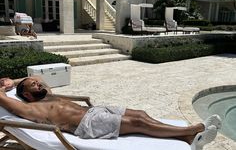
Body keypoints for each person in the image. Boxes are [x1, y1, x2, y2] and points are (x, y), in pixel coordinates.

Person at [0, 77, 221, 150]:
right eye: (32, 84)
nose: (38, 83)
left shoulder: (47, 94)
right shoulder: (26, 108)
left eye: (36, 81)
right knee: (138, 123)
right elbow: (6, 101)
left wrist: (16, 80)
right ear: (26, 95)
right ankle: (190, 130)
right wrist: (6, 88)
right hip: (86, 124)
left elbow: (38, 79)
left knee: (141, 114)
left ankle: (185, 136)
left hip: (94, 110)